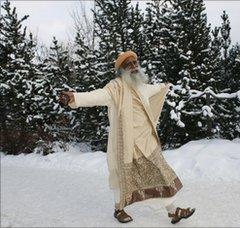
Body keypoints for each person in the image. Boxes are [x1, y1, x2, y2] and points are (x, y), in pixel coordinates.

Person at [59, 51, 195, 224]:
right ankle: (119, 209)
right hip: (126, 144)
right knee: (120, 177)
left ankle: (173, 211)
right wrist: (75, 97)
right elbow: (97, 95)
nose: (134, 65)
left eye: (135, 62)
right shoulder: (115, 88)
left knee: (159, 172)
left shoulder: (142, 87)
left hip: (146, 142)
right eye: (129, 64)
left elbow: (155, 88)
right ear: (121, 69)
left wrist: (164, 86)